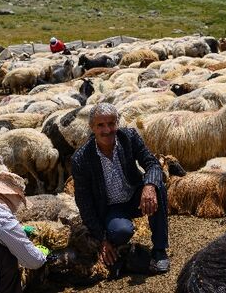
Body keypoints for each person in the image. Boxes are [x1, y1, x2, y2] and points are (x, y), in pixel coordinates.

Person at [71, 103, 170, 275]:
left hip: (135, 195)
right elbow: (84, 203)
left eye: (111, 123)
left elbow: (152, 163)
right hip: (111, 207)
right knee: (120, 231)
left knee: (157, 186)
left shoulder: (129, 137)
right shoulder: (81, 159)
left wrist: (149, 186)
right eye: (101, 125)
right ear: (92, 127)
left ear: (117, 123)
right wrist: (101, 238)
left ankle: (160, 249)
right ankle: (115, 242)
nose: (107, 130)